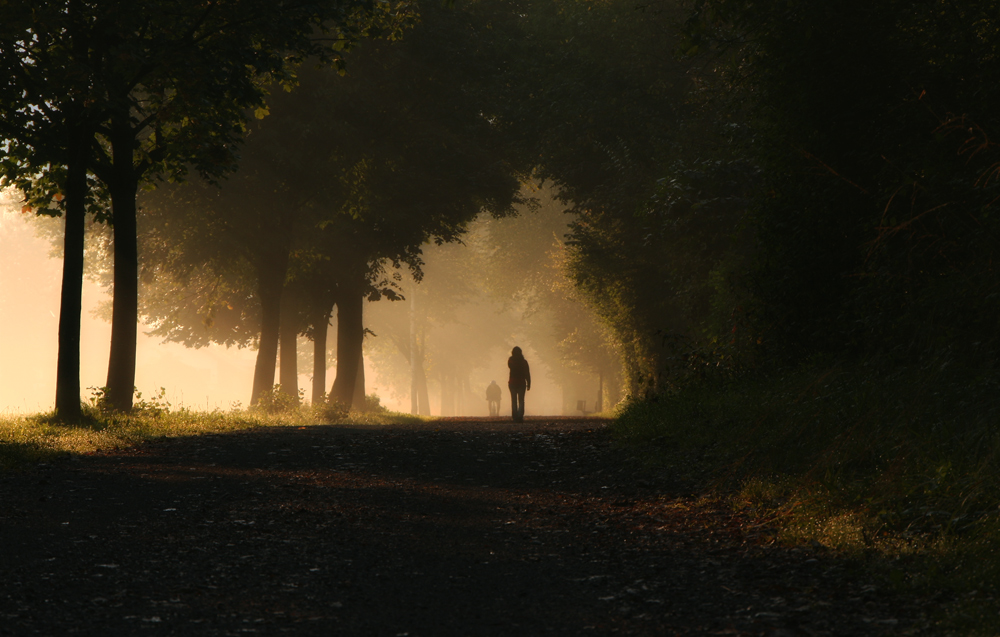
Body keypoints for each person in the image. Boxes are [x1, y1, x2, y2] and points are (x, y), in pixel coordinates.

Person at [507, 346, 531, 423]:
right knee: (521, 400)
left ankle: (514, 416)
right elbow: (527, 373)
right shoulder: (524, 362)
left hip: (512, 382)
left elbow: (510, 367)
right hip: (521, 382)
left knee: (513, 400)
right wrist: (529, 383)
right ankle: (520, 416)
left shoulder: (511, 360)